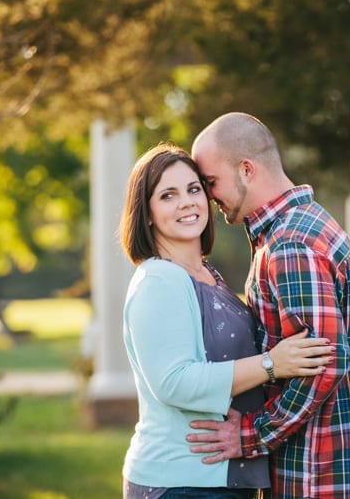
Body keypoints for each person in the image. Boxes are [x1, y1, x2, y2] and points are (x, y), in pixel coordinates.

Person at [187, 112, 350, 498]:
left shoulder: (290, 244)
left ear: (247, 170)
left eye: (210, 182)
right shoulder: (300, 227)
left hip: (324, 475)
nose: (207, 196)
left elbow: (321, 364)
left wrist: (249, 436)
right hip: (337, 469)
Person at [119, 142, 334, 499]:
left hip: (222, 476)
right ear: (146, 214)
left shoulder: (205, 273)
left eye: (193, 189)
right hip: (182, 481)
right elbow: (174, 382)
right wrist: (271, 364)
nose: (187, 202)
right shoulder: (159, 280)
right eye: (168, 195)